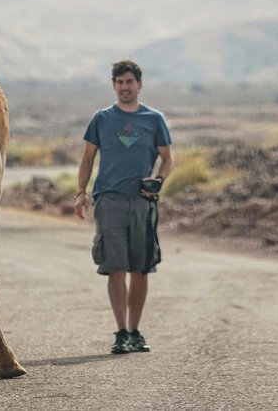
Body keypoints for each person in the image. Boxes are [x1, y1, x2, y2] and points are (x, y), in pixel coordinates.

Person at [74, 59, 173, 355]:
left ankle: (135, 331)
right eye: (120, 82)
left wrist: (159, 181)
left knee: (140, 269)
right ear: (114, 85)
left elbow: (168, 158)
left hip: (142, 202)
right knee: (115, 267)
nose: (125, 87)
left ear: (139, 84)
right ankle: (120, 333)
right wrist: (81, 192)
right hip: (109, 200)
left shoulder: (154, 119)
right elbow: (88, 158)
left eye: (130, 82)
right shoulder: (102, 119)